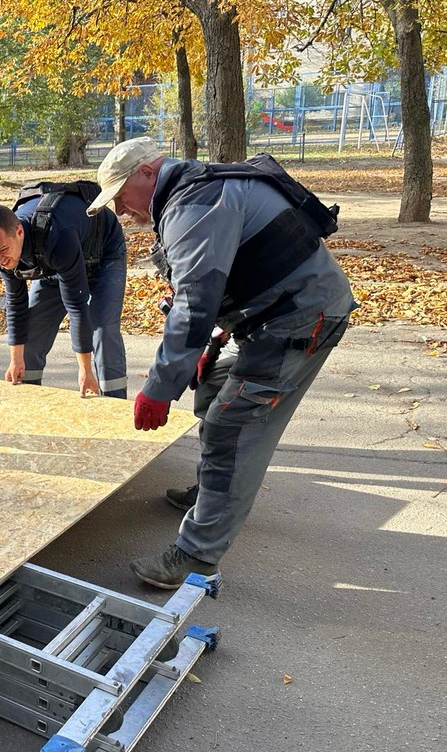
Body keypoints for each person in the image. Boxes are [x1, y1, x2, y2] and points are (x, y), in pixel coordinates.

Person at [87, 137, 356, 589]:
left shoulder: (194, 205)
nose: (120, 212)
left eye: (120, 196)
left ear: (147, 174)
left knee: (233, 427)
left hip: (298, 321)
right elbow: (241, 269)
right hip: (277, 312)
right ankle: (213, 493)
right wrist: (213, 341)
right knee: (212, 382)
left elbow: (194, 304)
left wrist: (159, 387)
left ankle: (197, 555)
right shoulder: (196, 191)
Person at [0, 183, 129, 398]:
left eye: (2, 251)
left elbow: (77, 305)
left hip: (102, 257)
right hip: (55, 263)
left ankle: (114, 406)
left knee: (102, 330)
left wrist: (84, 371)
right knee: (33, 328)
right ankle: (30, 399)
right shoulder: (2, 250)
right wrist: (16, 360)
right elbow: (16, 303)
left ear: (19, 232)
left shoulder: (56, 233)